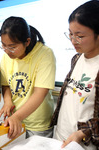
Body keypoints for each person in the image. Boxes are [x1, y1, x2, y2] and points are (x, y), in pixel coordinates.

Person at [50, 1, 99, 150]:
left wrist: (83, 133)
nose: (73, 41)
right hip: (60, 137)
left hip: (83, 144)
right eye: (70, 34)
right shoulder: (77, 58)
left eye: (79, 36)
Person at [0, 16, 56, 139]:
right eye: (3, 45)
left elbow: (40, 93)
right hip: (15, 120)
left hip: (37, 124)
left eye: (12, 47)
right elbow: (6, 84)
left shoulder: (44, 54)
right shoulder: (6, 56)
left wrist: (17, 116)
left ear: (27, 42)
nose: (7, 51)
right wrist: (7, 102)